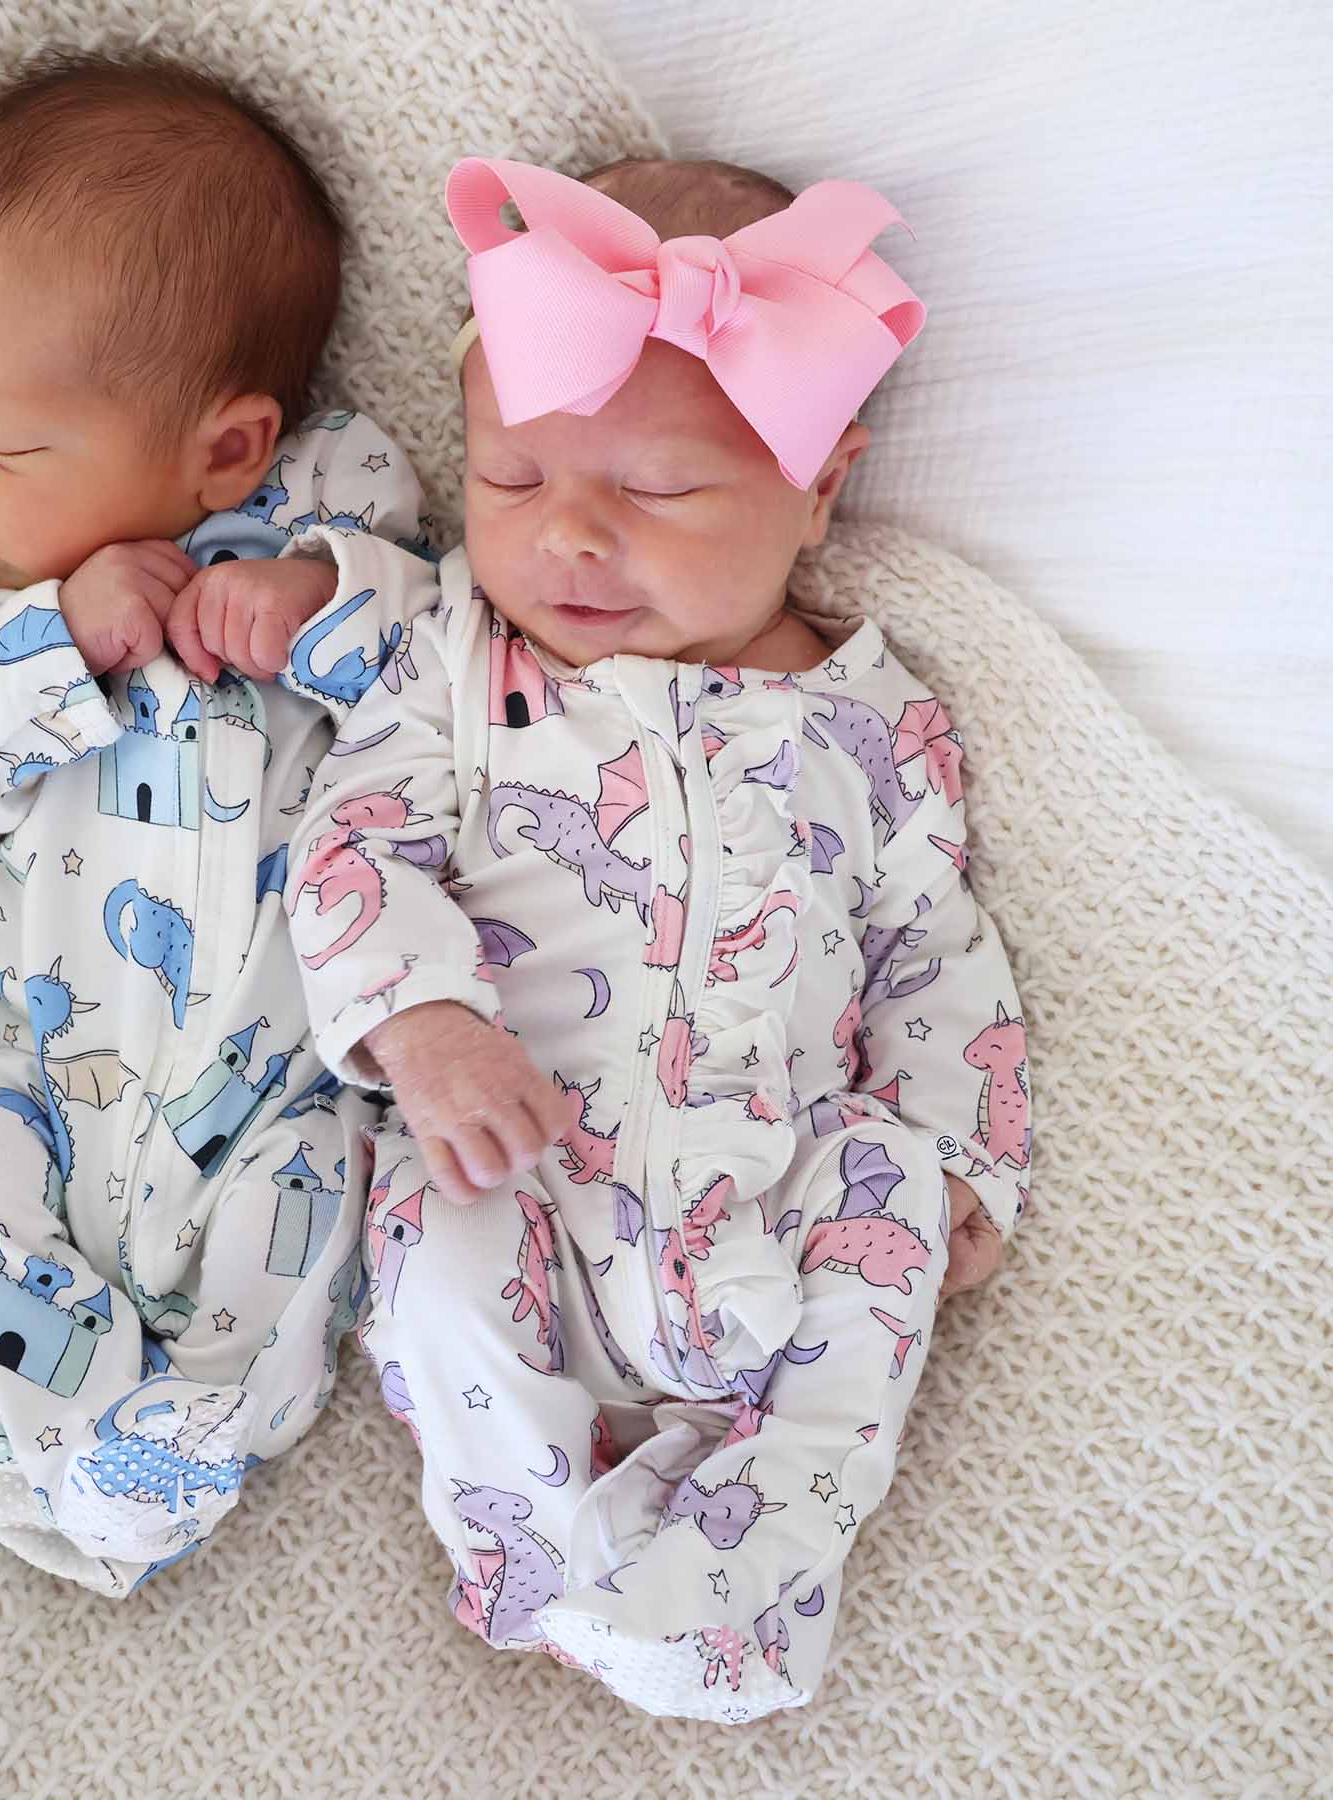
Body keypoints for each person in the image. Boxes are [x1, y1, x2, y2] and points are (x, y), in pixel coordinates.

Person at [284, 155, 1031, 1718]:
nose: (566, 538)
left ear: (817, 487)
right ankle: (538, 1542)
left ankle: (738, 1582)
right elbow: (351, 843)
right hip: (528, 1181)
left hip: (772, 1211)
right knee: (432, 1238)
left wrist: (964, 1150)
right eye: (510, 479)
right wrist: (425, 1028)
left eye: (659, 491)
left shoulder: (877, 722)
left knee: (891, 1197)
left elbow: (936, 955)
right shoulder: (455, 664)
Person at [0, 49, 428, 1597]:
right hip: (56, 1086)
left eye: (5, 444)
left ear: (227, 447)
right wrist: (53, 642)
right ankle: (84, 1427)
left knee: (314, 1213)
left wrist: (317, 602)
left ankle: (206, 1421)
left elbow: (452, 678)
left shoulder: (333, 510)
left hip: (286, 1080)